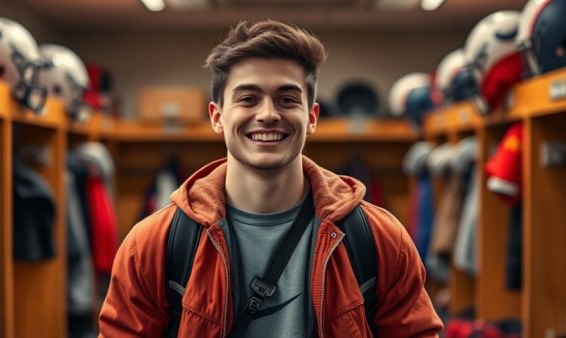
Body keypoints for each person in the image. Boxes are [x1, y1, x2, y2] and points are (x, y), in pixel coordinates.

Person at [99, 19, 443, 337]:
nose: (267, 114)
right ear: (217, 117)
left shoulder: (380, 239)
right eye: (248, 99)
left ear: (311, 116)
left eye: (287, 99)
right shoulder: (152, 245)